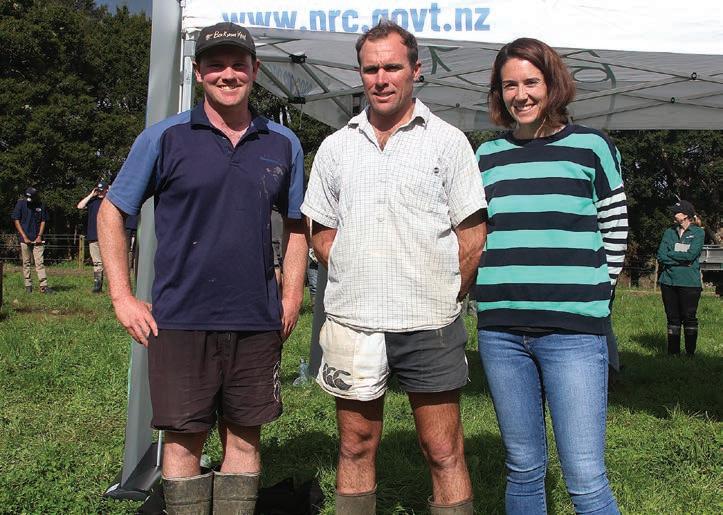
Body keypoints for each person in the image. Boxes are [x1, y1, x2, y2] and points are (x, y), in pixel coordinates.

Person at [97, 22, 307, 514]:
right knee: (183, 439)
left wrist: (292, 295)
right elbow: (112, 211)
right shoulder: (164, 137)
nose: (227, 74)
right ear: (198, 72)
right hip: (180, 319)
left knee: (245, 437)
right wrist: (121, 296)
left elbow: (299, 224)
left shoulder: (283, 143)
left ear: (255, 70)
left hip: (256, 319)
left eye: (238, 64)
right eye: (216, 65)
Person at [301, 20, 487, 514]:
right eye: (371, 69)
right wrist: (356, 269)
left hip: (430, 321)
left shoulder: (448, 142)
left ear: (415, 70)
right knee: (354, 446)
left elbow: (473, 237)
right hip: (354, 321)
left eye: (392, 67)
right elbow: (320, 230)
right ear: (360, 74)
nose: (381, 79)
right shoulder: (336, 147)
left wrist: (445, 292)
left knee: (443, 450)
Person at [475, 38, 626, 514]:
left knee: (585, 477)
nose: (520, 95)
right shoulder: (486, 156)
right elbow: (475, 234)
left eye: (531, 82)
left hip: (573, 332)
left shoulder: (592, 147)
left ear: (553, 84)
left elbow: (615, 227)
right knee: (522, 469)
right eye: (509, 85)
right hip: (501, 332)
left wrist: (596, 296)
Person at [656, 199, 705, 356]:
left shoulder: (698, 233)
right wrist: (682, 260)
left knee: (689, 317)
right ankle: (673, 354)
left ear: (685, 215)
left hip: (689, 283)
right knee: (672, 318)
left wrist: (672, 255)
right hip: (668, 281)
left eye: (676, 212)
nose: (673, 214)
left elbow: (691, 255)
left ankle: (690, 354)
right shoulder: (669, 232)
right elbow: (661, 255)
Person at [11, 187, 54, 294]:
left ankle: (43, 286)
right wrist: (24, 237)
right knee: (26, 263)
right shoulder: (20, 204)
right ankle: (28, 286)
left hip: (37, 239)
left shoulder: (41, 205)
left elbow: (43, 221)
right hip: (24, 239)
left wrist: (39, 236)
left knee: (39, 263)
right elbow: (16, 220)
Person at [77, 180, 109, 292]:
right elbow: (80, 206)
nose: (100, 192)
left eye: (102, 190)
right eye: (98, 190)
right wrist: (91, 195)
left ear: (106, 190)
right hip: (93, 235)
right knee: (97, 262)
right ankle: (97, 286)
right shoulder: (92, 201)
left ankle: (113, 286)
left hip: (106, 236)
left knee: (108, 263)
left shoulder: (110, 201)